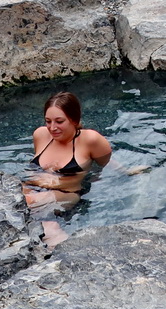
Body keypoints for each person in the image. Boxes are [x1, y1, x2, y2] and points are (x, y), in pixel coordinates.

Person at [25, 92, 112, 247]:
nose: (52, 127)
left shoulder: (90, 140)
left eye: (59, 121)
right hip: (32, 187)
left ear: (74, 120)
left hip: (66, 193)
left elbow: (106, 161)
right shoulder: (40, 134)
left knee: (34, 212)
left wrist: (127, 171)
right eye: (48, 121)